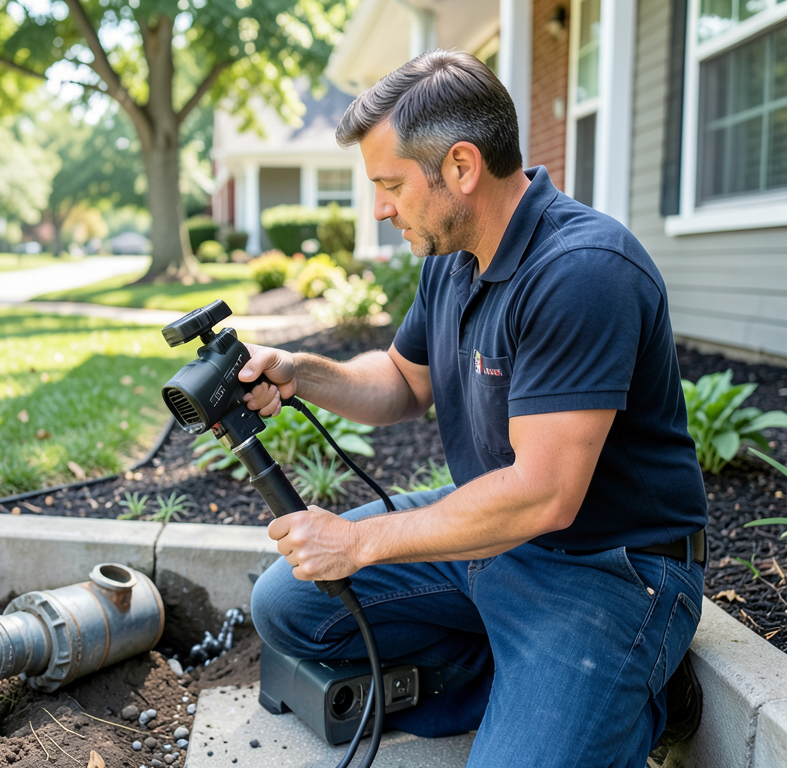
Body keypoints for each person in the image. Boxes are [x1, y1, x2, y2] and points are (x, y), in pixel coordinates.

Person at [239, 49, 707, 767]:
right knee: (290, 606)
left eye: (390, 184)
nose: (381, 208)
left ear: (461, 166)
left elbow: (545, 494)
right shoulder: (453, 260)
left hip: (606, 570)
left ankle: (623, 687)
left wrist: (360, 542)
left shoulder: (583, 270)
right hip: (494, 537)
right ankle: (537, 686)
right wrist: (301, 372)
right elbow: (402, 381)